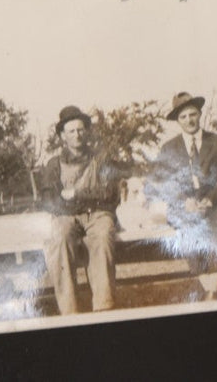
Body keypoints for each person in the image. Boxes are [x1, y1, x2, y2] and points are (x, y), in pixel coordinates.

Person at [147, 92, 217, 300]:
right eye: (183, 117)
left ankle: (212, 290)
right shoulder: (168, 148)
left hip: (215, 201)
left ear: (199, 115)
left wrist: (210, 199)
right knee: (186, 229)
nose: (189, 120)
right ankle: (208, 287)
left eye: (192, 114)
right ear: (177, 121)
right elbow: (163, 182)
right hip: (185, 205)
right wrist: (184, 201)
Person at [37, 105, 128, 315]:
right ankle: (70, 312)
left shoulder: (101, 159)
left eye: (80, 130)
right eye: (71, 131)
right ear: (62, 136)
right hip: (67, 216)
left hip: (98, 215)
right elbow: (49, 200)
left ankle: (104, 307)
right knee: (59, 239)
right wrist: (77, 203)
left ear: (86, 132)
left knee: (103, 237)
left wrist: (77, 195)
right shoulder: (54, 164)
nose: (77, 135)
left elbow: (109, 194)